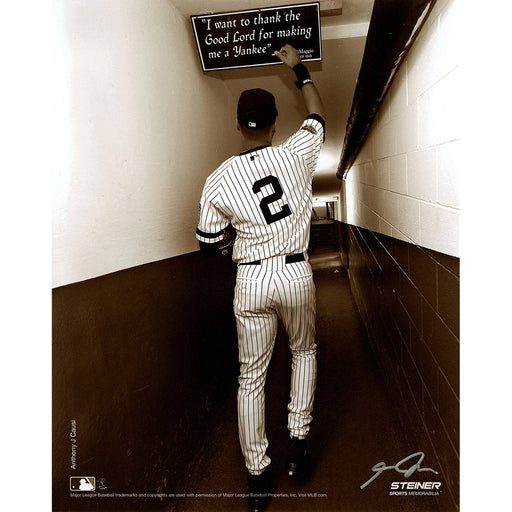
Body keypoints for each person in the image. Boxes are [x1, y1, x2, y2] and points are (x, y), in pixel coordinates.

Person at [196, 44, 325, 512]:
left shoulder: (217, 180)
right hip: (294, 272)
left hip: (250, 280)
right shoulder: (297, 154)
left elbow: (209, 242)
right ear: (274, 124)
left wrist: (242, 248)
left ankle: (256, 475)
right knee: (303, 352)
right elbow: (318, 115)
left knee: (251, 377)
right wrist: (298, 69)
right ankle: (298, 442)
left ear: (238, 125)